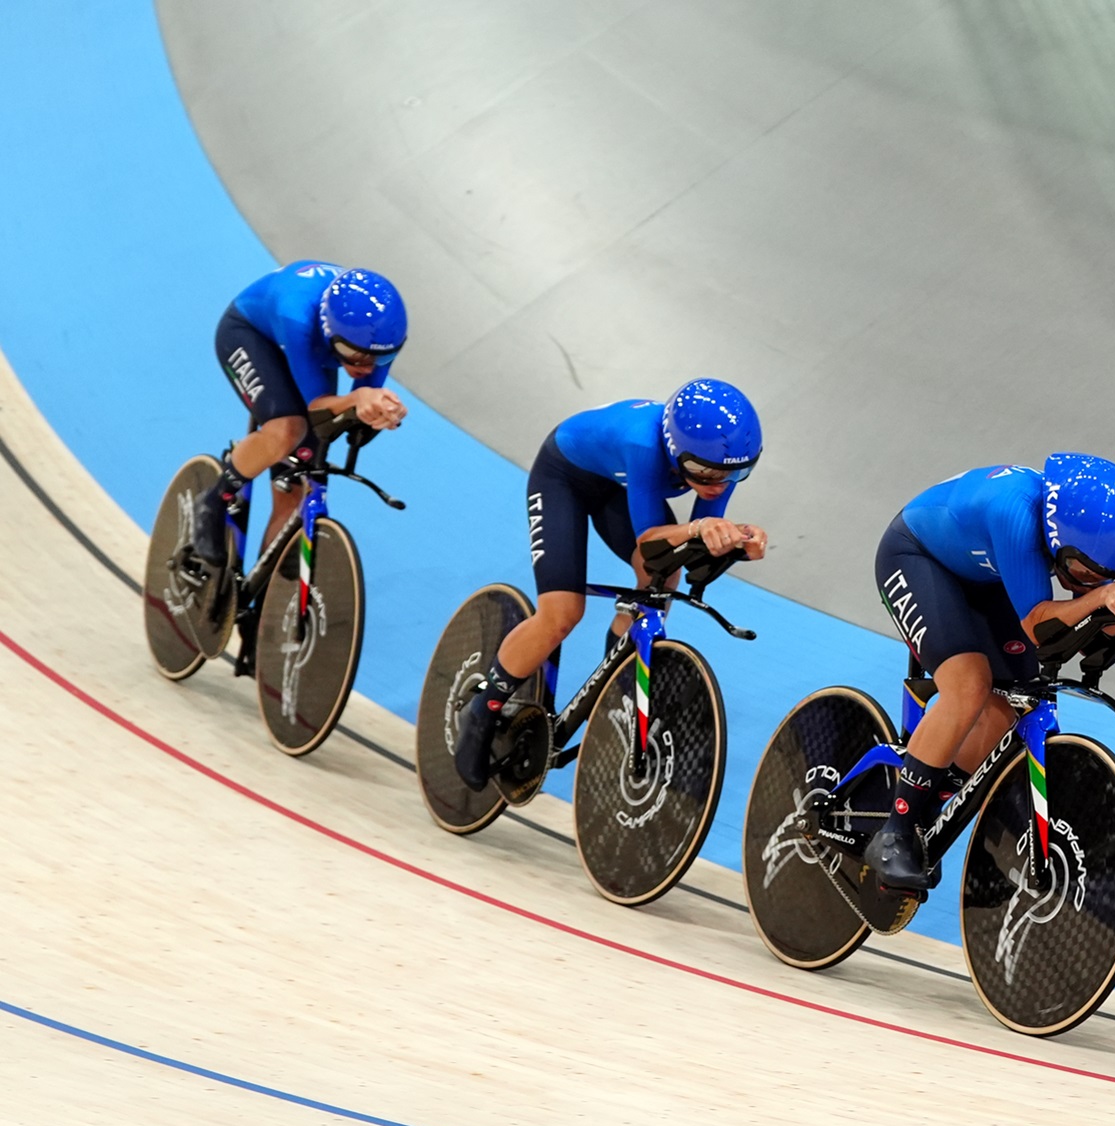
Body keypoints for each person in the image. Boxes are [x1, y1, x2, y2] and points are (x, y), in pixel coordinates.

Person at [867, 454, 1115, 892]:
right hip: (917, 558)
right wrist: (1105, 598)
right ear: (1057, 537)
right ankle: (896, 832)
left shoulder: (1074, 540)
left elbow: (1077, 636)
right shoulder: (1013, 512)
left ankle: (929, 801)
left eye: (1107, 580)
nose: (1088, 586)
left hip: (988, 575)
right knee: (969, 684)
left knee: (1013, 701)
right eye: (1083, 574)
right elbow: (1040, 626)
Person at [453, 381, 769, 790]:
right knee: (562, 614)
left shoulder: (716, 463)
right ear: (676, 450)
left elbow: (695, 548)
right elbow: (651, 539)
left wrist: (737, 540)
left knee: (662, 575)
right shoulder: (644, 446)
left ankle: (614, 680)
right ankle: (483, 708)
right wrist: (698, 526)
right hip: (562, 476)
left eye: (735, 474)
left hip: (612, 484)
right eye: (705, 473)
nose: (717, 484)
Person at [194, 261, 410, 565]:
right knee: (287, 430)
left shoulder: (377, 338)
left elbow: (354, 411)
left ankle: (255, 603)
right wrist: (359, 396)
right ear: (329, 330)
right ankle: (213, 500)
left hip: (316, 350)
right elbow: (318, 405)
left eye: (381, 358)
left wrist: (380, 413)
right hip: (252, 333)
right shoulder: (297, 316)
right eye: (355, 356)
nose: (366, 367)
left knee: (298, 484)